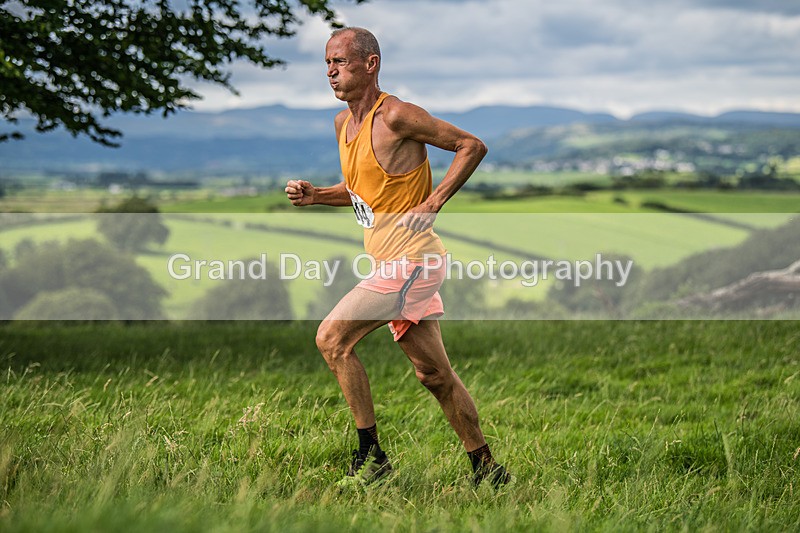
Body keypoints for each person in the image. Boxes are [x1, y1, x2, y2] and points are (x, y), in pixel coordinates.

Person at [285, 27, 509, 488]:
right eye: (327, 63)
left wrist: (434, 201)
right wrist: (317, 196)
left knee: (332, 339)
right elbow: (359, 192)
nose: (331, 71)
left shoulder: (398, 115)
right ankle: (488, 471)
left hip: (412, 261)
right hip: (391, 263)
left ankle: (372, 458)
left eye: (341, 61)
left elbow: (472, 145)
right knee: (434, 375)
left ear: (370, 64)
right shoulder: (342, 124)